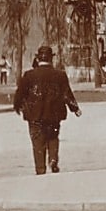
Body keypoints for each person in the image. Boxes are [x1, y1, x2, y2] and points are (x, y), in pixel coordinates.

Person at [12, 45, 80, 175]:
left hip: (34, 115)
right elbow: (66, 94)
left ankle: (40, 168)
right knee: (53, 137)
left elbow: (20, 93)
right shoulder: (60, 75)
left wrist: (17, 106)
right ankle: (53, 159)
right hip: (54, 114)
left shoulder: (29, 75)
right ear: (51, 59)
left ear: (38, 58)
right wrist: (75, 108)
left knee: (38, 141)